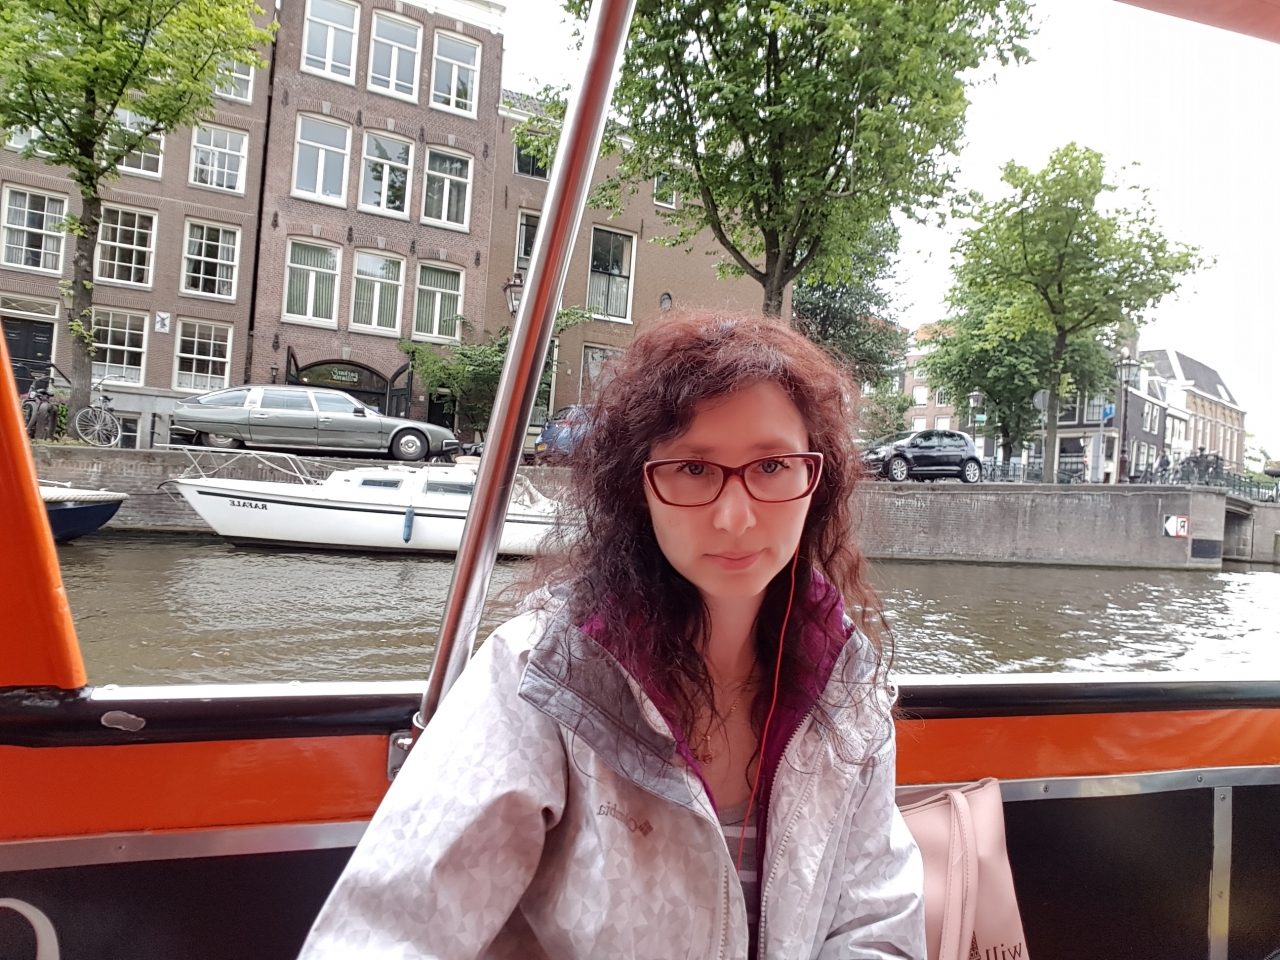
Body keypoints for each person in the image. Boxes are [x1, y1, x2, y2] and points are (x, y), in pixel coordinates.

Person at [299, 311, 925, 960]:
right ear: (638, 489)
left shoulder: (846, 686)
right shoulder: (542, 675)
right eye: (693, 469)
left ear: (816, 481)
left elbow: (878, 925)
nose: (735, 517)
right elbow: (388, 931)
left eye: (771, 466)